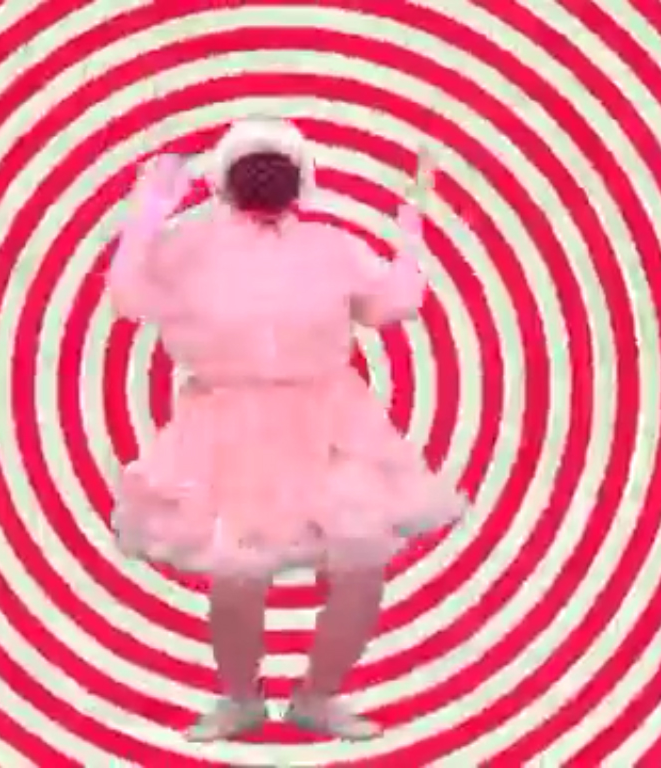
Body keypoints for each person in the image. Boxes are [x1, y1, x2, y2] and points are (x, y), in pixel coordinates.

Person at [107, 118, 469, 742]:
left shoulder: (330, 247)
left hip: (329, 422)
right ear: (225, 179)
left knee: (360, 568)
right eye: (253, 165)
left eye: (276, 165)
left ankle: (318, 698)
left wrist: (410, 241)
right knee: (238, 574)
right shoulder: (186, 247)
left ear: (300, 178)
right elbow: (131, 297)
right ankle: (240, 700)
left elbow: (389, 304)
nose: (265, 177)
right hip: (227, 427)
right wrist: (146, 219)